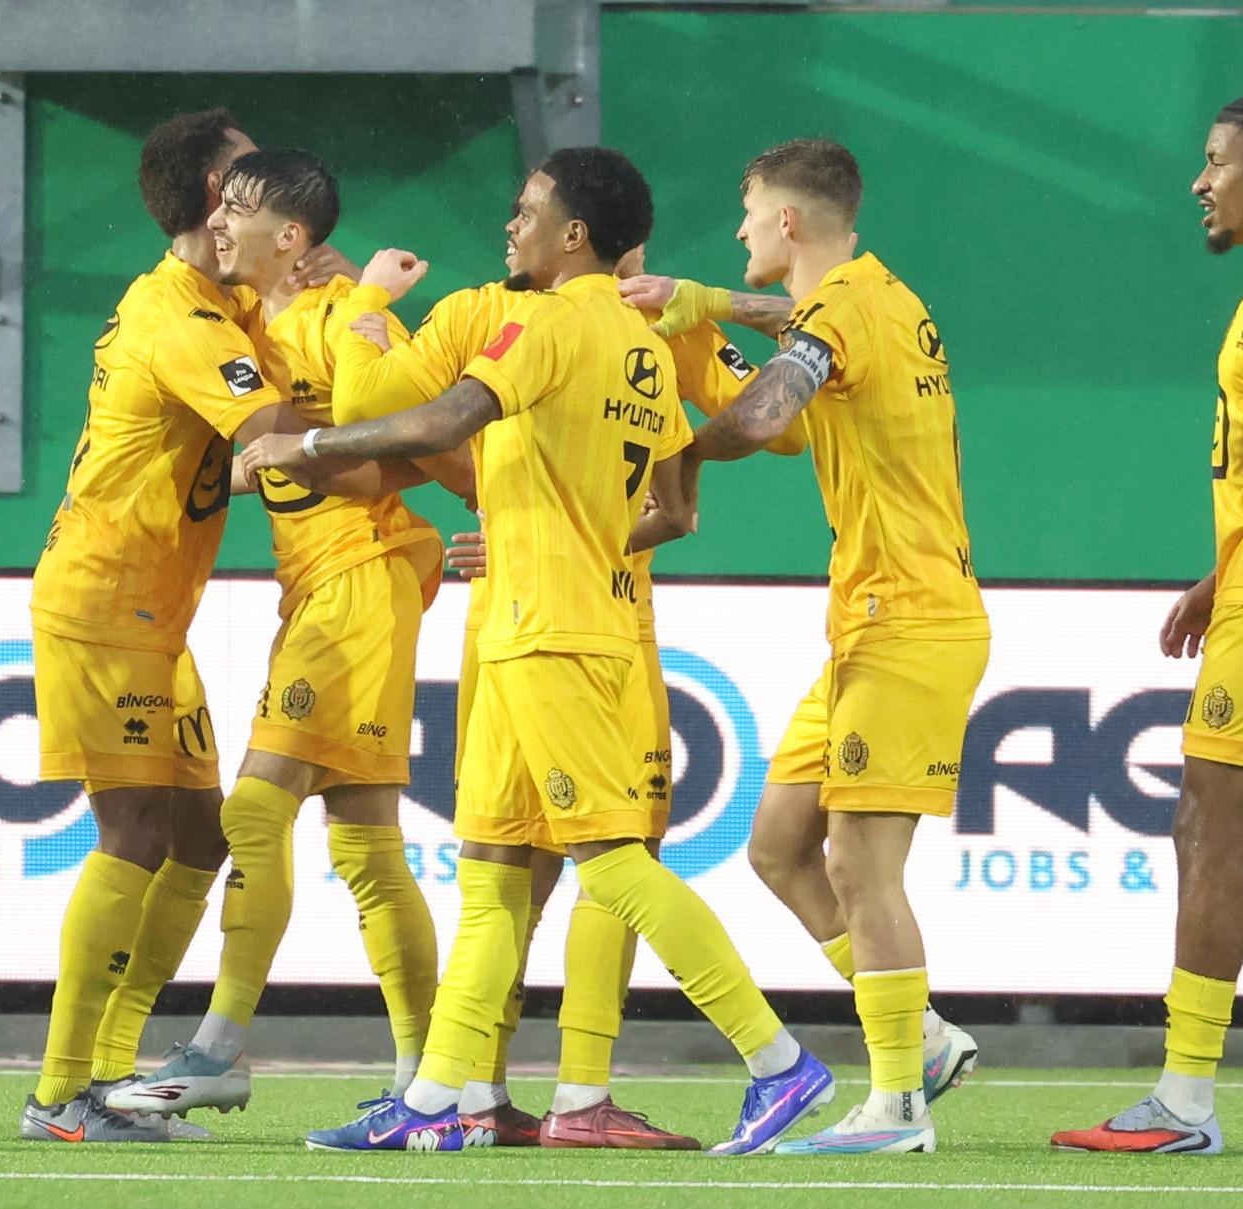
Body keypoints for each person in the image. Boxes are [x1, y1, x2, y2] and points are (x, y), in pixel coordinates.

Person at [242, 147, 832, 1155]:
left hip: (545, 630)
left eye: (527, 211)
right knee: (488, 877)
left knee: (612, 863)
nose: (511, 224)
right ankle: (437, 1101)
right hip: (565, 619)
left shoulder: (543, 321)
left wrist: (307, 444)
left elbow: (444, 417)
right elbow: (675, 505)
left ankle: (779, 1062)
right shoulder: (645, 345)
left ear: (574, 234)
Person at [21, 112, 389, 1144]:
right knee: (136, 831)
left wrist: (324, 291)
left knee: (197, 835)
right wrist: (419, 448)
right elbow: (274, 441)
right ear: (217, 195)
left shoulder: (227, 303)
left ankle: (110, 1074)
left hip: (152, 610)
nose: (259, 186)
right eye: (244, 173)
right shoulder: (182, 316)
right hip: (103, 602)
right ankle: (61, 1093)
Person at [630, 139, 989, 1155]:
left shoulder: (839, 314)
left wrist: (683, 454)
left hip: (907, 622)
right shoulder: (881, 295)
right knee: (780, 847)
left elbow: (769, 408)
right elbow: (798, 323)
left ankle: (898, 1106)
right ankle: (921, 1039)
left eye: (749, 214)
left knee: (862, 867)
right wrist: (702, 300)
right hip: (873, 623)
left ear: (787, 222)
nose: (740, 229)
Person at [104, 150, 444, 1118]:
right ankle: (431, 1074)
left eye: (240, 207)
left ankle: (221, 1048)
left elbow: (439, 439)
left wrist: (334, 461)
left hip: (358, 577)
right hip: (322, 584)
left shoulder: (344, 319)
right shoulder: (249, 322)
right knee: (368, 844)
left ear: (290, 237)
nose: (218, 218)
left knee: (254, 812)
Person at [1052, 91, 1243, 1157]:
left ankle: (1185, 1102)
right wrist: (1221, 572)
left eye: (1218, 161)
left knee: (1208, 825)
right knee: (1206, 824)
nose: (1200, 180)